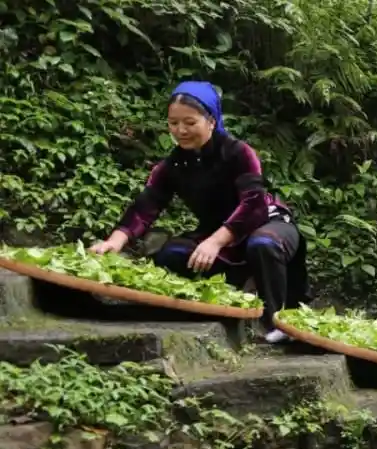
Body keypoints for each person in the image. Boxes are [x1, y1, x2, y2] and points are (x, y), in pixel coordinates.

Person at [90, 80, 307, 343]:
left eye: (190, 123)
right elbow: (147, 204)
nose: (180, 130)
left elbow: (254, 206)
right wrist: (115, 241)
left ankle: (276, 323)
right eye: (173, 123)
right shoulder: (172, 165)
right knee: (171, 255)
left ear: (211, 121)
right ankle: (234, 290)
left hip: (266, 223)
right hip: (219, 234)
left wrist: (215, 241)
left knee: (262, 244)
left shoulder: (239, 153)